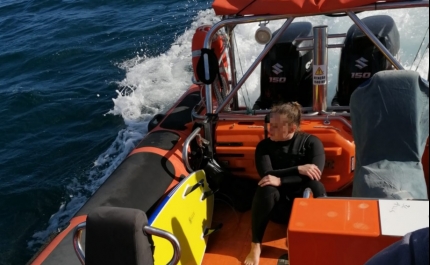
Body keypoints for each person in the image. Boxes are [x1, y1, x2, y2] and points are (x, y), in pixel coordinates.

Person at [244, 102, 326, 265]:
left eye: (275, 126)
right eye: (270, 124)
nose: (269, 129)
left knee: (317, 187)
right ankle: (256, 245)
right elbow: (266, 175)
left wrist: (281, 180)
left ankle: (321, 238)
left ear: (291, 129)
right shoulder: (264, 146)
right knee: (266, 187)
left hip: (302, 209)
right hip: (276, 209)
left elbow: (315, 176)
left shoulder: (311, 143)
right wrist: (299, 169)